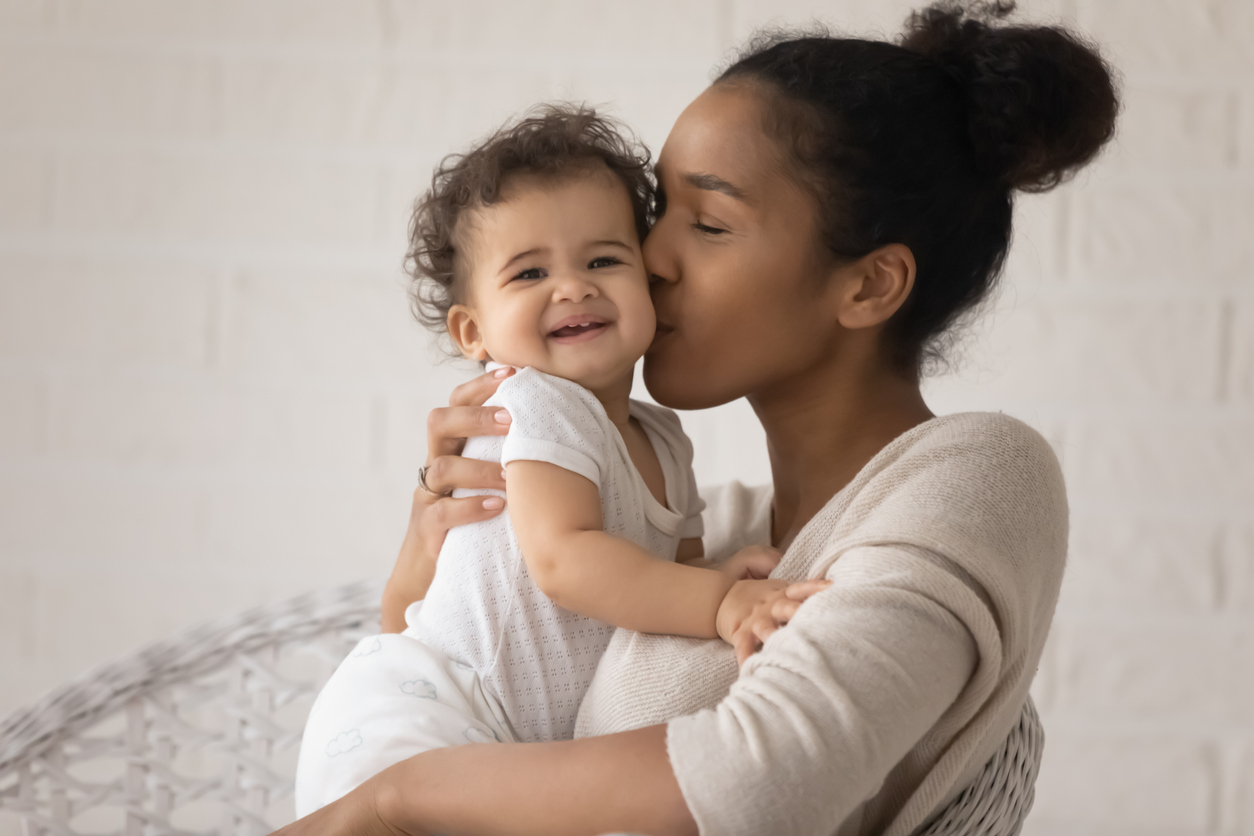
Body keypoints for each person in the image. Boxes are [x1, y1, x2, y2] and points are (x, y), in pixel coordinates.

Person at [275, 2, 1119, 834]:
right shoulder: (710, 532)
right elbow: (469, 679)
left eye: (708, 223)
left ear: (867, 286)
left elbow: (764, 785)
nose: (652, 259)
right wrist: (436, 553)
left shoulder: (975, 474)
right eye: (658, 215)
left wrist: (401, 797)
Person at [294, 106, 781, 815]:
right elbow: (565, 561)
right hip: (422, 717)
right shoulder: (539, 403)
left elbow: (654, 585)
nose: (573, 286)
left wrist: (711, 576)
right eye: (529, 273)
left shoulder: (664, 439)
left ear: (648, 282)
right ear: (474, 331)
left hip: (506, 743)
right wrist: (722, 603)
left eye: (604, 259)